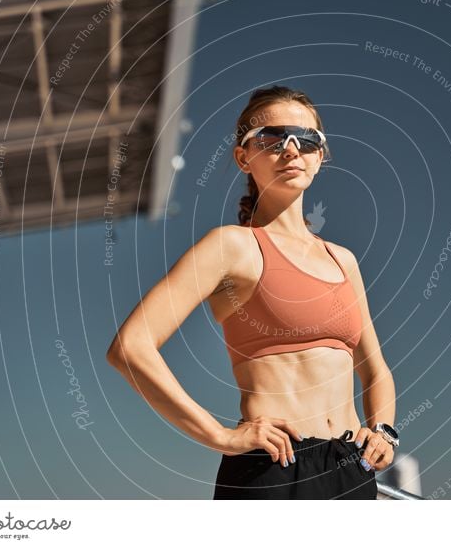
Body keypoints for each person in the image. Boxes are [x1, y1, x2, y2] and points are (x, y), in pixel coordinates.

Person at [106, 85, 397, 499]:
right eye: (273, 138)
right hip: (275, 468)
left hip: (350, 470)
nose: (292, 150)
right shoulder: (231, 248)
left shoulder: (342, 260)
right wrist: (219, 436)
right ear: (244, 156)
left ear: (320, 155)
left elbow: (375, 370)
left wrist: (384, 429)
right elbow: (131, 348)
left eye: (307, 139)